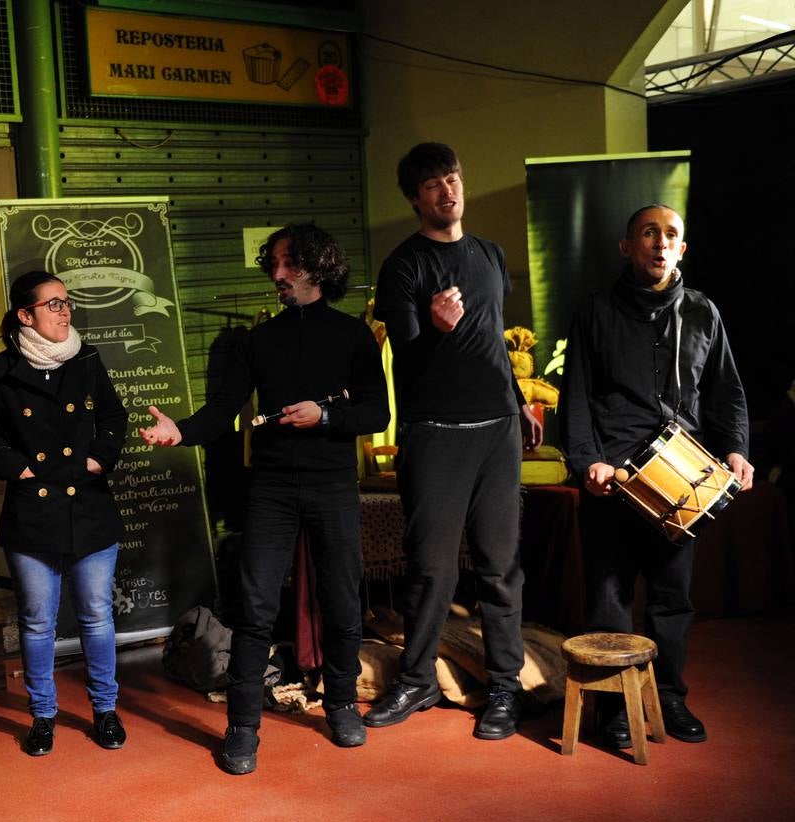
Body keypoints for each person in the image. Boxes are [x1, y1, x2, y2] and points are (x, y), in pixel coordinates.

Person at [140, 223, 389, 774]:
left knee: (344, 603)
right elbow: (224, 407)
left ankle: (342, 704)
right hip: (271, 488)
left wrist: (325, 416)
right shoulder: (259, 340)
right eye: (273, 265)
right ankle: (243, 726)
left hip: (331, 485)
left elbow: (377, 413)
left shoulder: (353, 336)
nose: (277, 276)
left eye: (288, 265)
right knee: (253, 609)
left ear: (318, 267)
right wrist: (180, 431)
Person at [560, 203, 753, 746]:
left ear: (682, 249)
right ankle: (614, 708)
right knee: (609, 597)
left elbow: (727, 394)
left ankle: (668, 698)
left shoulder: (702, 312)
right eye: (649, 233)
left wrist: (736, 450)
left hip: (681, 482)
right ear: (627, 246)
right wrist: (586, 461)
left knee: (672, 599)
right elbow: (574, 398)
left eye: (670, 235)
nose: (660, 243)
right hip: (613, 481)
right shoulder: (594, 312)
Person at [368, 142, 541, 740]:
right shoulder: (405, 266)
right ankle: (416, 680)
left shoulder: (490, 255)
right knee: (431, 569)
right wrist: (436, 328)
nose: (449, 190)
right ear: (415, 198)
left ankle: (504, 688)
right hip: (435, 434)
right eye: (434, 184)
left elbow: (492, 340)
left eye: (453, 178)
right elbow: (406, 355)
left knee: (500, 569)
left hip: (495, 430)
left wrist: (518, 401)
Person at [0, 271, 129, 756]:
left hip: (88, 504)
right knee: (38, 622)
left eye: (67, 304)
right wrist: (16, 469)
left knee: (97, 616)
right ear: (26, 315)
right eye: (54, 304)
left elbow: (113, 416)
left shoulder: (86, 359)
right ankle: (43, 715)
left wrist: (98, 458)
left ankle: (105, 710)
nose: (65, 312)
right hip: (33, 510)